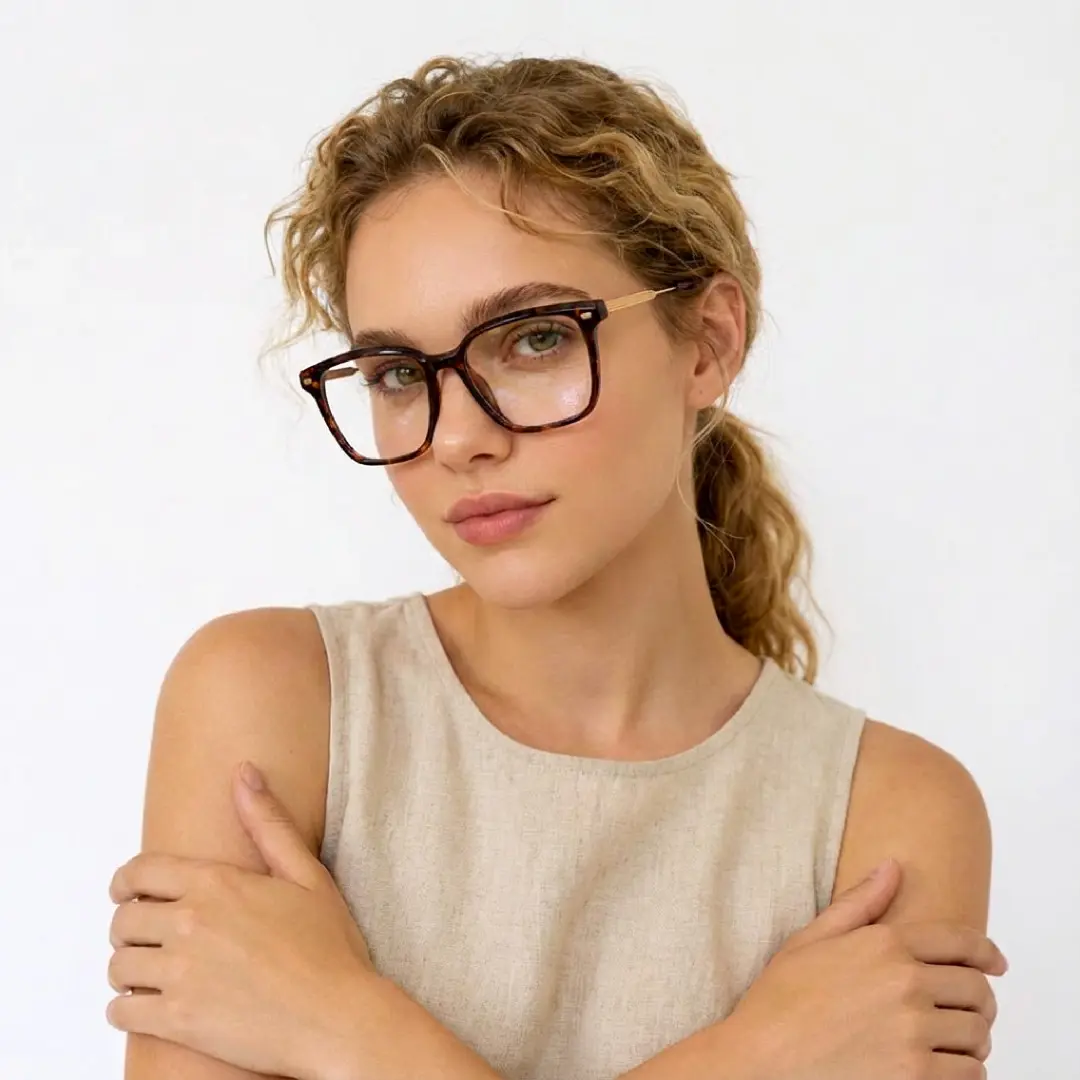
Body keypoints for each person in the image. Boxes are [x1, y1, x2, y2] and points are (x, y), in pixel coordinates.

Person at [110, 55, 1006, 1080]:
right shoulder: (273, 700)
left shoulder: (888, 811)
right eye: (400, 373)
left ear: (707, 343)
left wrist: (344, 1030)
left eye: (532, 340)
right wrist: (749, 1059)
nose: (457, 438)